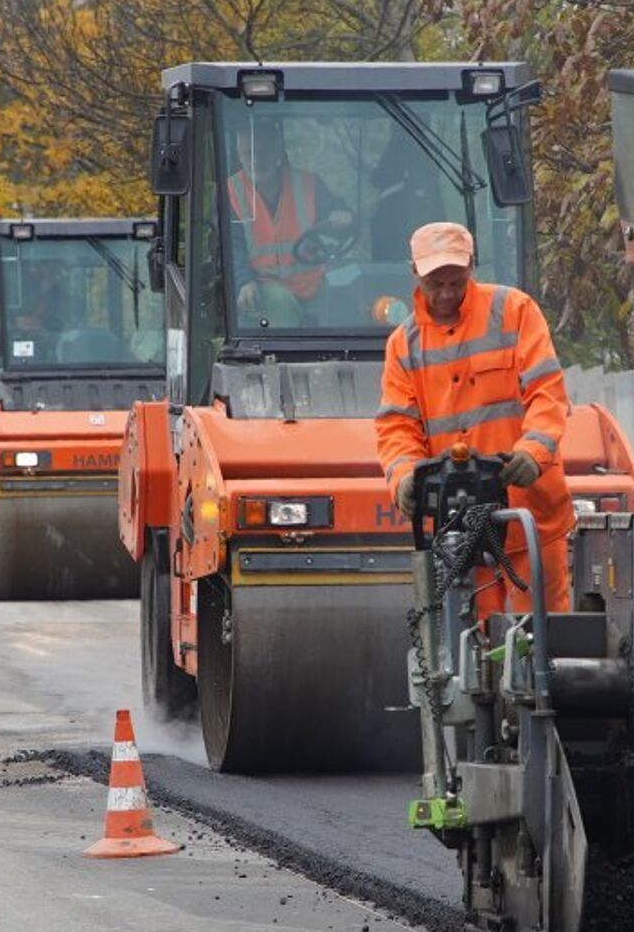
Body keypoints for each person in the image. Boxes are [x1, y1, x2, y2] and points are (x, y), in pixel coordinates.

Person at [375, 221, 574, 613]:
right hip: (460, 529)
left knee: (541, 645)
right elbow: (397, 426)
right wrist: (403, 478)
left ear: (471, 268)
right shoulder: (404, 345)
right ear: (415, 273)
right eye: (437, 284)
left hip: (529, 515)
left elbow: (547, 393)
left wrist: (533, 452)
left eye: (456, 282)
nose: (447, 293)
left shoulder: (514, 312)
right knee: (473, 645)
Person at [227, 119, 354, 326]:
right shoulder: (231, 192)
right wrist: (244, 281)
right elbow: (231, 245)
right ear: (239, 156)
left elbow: (337, 211)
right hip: (261, 284)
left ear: (278, 152)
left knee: (346, 302)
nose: (256, 160)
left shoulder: (307, 184)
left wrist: (342, 216)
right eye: (248, 153)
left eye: (263, 152)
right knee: (282, 305)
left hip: (310, 282)